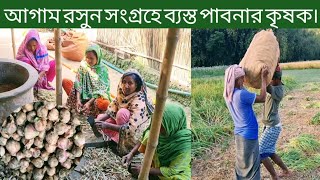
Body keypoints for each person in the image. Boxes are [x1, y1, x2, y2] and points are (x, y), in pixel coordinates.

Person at [92, 69, 154, 155]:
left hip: (132, 133)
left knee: (122, 113)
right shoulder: (121, 93)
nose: (126, 86)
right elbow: (111, 110)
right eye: (124, 82)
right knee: (100, 118)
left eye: (130, 83)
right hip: (121, 124)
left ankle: (122, 144)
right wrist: (98, 121)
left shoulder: (139, 100)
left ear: (136, 85)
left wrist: (107, 125)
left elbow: (131, 128)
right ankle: (115, 138)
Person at [122, 103, 191, 180]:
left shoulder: (184, 145)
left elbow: (173, 170)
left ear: (172, 124)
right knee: (149, 135)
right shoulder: (157, 130)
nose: (158, 129)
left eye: (163, 126)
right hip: (156, 166)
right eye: (157, 124)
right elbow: (145, 136)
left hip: (174, 173)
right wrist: (131, 153)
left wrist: (146, 169)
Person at [223, 64, 268, 180]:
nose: (244, 79)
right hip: (249, 135)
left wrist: (241, 70)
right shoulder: (241, 95)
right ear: (237, 80)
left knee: (242, 165)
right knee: (252, 165)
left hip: (239, 133)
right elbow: (263, 98)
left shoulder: (228, 93)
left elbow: (239, 86)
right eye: (242, 78)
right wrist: (263, 78)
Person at [259, 66, 291, 180]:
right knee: (270, 152)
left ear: (277, 80)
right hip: (269, 125)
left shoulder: (278, 90)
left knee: (261, 153)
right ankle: (286, 171)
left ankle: (274, 177)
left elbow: (266, 87)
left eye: (271, 79)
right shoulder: (274, 85)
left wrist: (263, 77)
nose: (270, 81)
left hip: (273, 127)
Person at [63, 44, 112, 117]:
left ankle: (91, 111)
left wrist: (89, 103)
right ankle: (78, 105)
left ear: (97, 58)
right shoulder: (83, 65)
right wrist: (78, 100)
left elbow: (102, 90)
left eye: (91, 58)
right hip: (83, 94)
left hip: (95, 98)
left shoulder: (103, 70)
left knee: (105, 103)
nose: (88, 60)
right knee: (66, 82)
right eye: (87, 57)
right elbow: (78, 82)